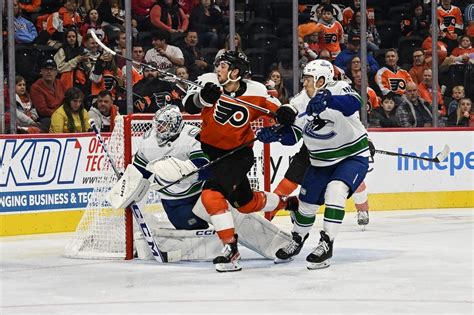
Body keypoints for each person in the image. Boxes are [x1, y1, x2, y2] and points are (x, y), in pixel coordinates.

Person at [111, 105, 293, 261]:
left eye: (165, 125)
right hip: (172, 201)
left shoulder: (192, 136)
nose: (160, 129)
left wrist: (183, 171)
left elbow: (205, 168)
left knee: (238, 214)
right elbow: (140, 171)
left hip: (199, 194)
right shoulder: (148, 142)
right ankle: (227, 245)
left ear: (176, 124)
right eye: (159, 125)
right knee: (195, 234)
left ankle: (277, 237)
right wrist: (129, 186)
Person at [182, 51, 298, 272]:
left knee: (211, 195)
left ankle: (230, 249)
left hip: (237, 155)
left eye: (223, 66)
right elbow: (190, 104)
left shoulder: (256, 91)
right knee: (245, 204)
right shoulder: (208, 82)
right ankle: (289, 203)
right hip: (211, 154)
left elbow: (282, 108)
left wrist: (285, 114)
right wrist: (203, 97)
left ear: (236, 72)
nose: (218, 69)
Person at [256, 59, 371, 269]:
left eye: (309, 78)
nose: (305, 82)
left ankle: (326, 243)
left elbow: (355, 103)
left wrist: (329, 100)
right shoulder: (298, 101)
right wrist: (276, 135)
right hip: (319, 162)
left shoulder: (338, 87)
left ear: (322, 79)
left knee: (336, 190)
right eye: (305, 78)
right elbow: (294, 136)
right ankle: (297, 240)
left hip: (351, 156)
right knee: (307, 204)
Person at [30, 59, 67, 131]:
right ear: (41, 71)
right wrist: (60, 114)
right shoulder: (36, 87)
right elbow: (43, 110)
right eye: (46, 69)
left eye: (52, 69)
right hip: (46, 117)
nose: (49, 72)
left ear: (56, 72)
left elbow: (67, 100)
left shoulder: (60, 83)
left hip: (62, 114)